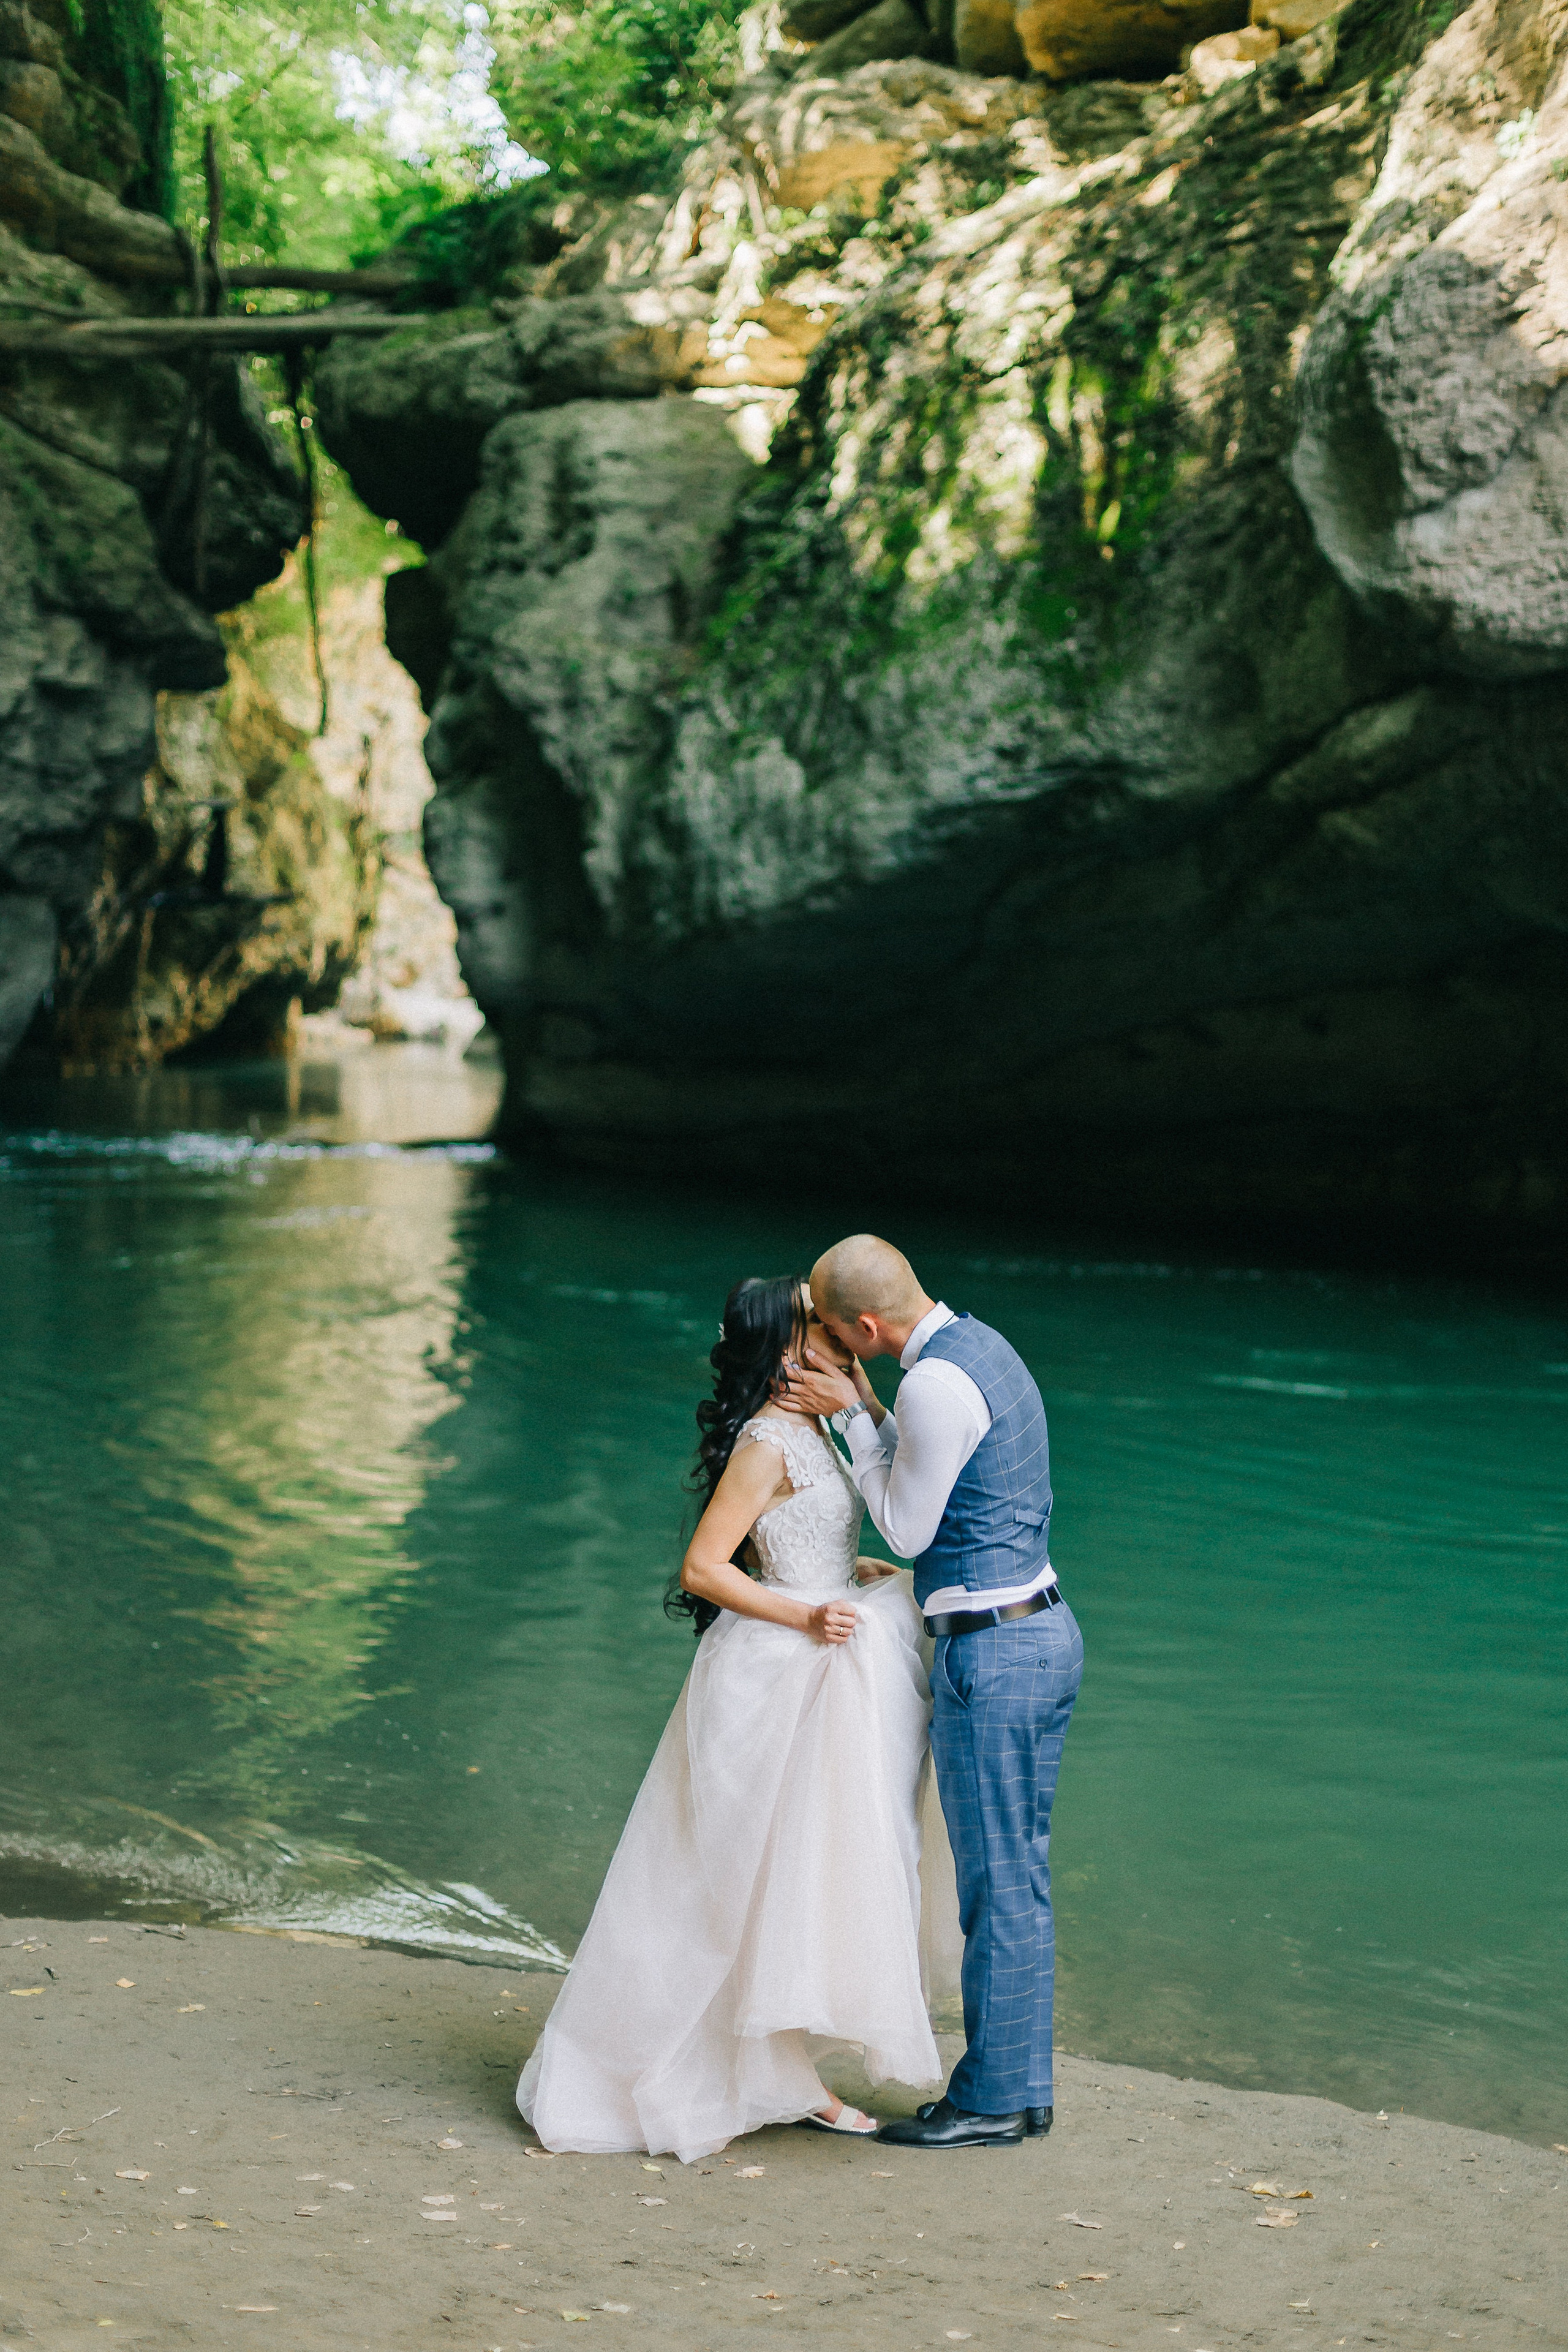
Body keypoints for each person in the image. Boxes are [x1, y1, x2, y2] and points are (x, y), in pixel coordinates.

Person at [516, 1274, 953, 2163]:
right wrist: (805, 1612)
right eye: (814, 1327)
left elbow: (802, 1534)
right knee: (723, 1885)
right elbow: (704, 1568)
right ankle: (698, 2070)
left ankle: (780, 2072)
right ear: (786, 1349)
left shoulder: (814, 1428)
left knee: (795, 1885)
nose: (835, 1335)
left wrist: (850, 1568)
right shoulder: (766, 1442)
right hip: (775, 1676)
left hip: (825, 1667)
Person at [777, 1234, 1083, 2151]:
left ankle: (993, 2101)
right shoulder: (976, 1347)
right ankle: (1017, 2090)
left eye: (836, 1333)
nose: (832, 1347)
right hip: (1037, 1632)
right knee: (1015, 1877)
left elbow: (908, 1525)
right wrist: (871, 1402)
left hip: (993, 1657)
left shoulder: (930, 1386)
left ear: (867, 1325)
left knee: (996, 1884)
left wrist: (850, 1422)